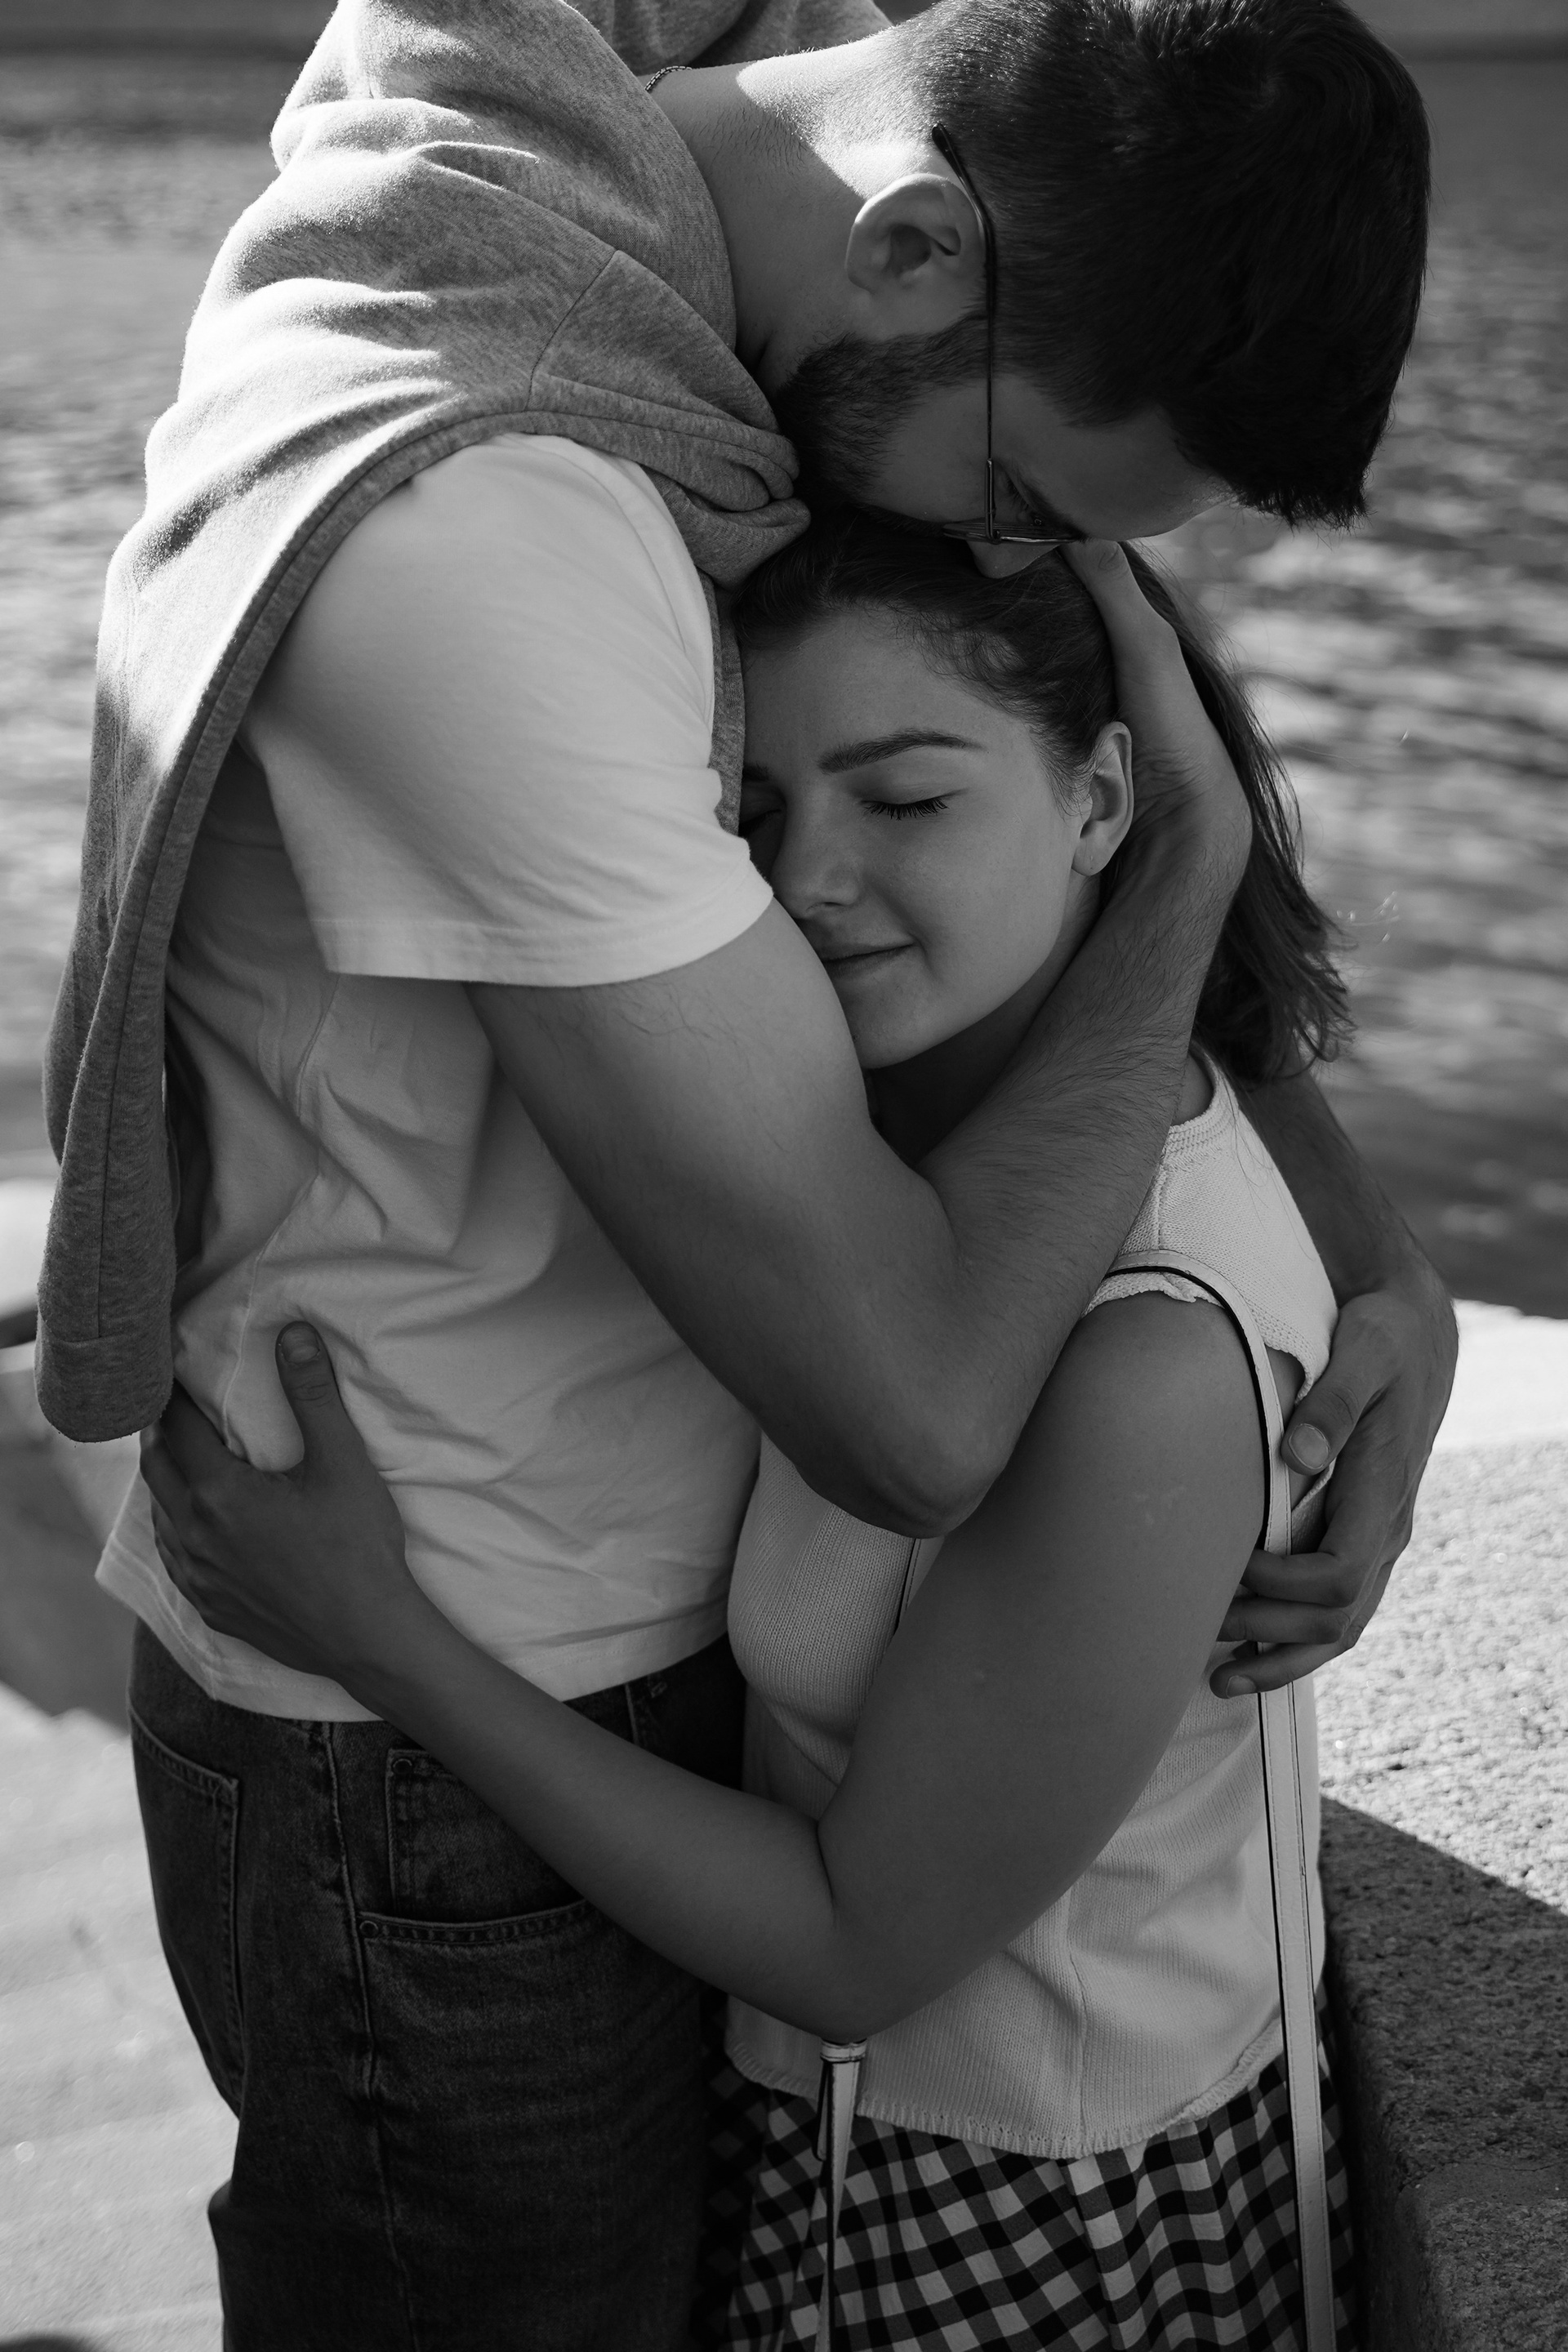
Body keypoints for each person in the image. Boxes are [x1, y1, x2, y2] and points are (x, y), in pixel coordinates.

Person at [43, 0, 1450, 2340]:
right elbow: (912, 1419)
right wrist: (1198, 861)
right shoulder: (495, 513)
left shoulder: (748, 235)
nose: (1003, 557)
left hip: (647, 1647)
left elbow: (1054, 758)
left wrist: (1371, 1254)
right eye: (1031, 507)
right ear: (913, 251)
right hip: (442, 1695)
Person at [147, 521, 1364, 2347]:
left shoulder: (1142, 1359)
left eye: (909, 799)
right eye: (752, 812)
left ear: (1106, 800)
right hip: (833, 2149)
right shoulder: (894, 1154)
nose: (809, 880)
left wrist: (381, 1637)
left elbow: (856, 1941)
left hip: (1011, 2226)